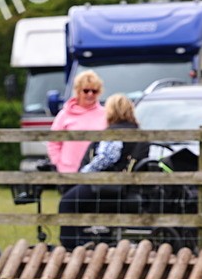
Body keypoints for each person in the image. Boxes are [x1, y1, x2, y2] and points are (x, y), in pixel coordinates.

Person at [58, 94, 149, 250]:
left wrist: (82, 175)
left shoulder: (113, 133)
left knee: (67, 203)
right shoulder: (140, 134)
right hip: (129, 189)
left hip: (104, 186)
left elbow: (106, 158)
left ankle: (73, 246)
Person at [46, 70, 107, 173]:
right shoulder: (64, 114)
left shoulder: (105, 114)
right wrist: (57, 163)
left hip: (96, 172)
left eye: (94, 91)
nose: (90, 94)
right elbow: (53, 142)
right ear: (78, 91)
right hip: (68, 171)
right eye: (86, 90)